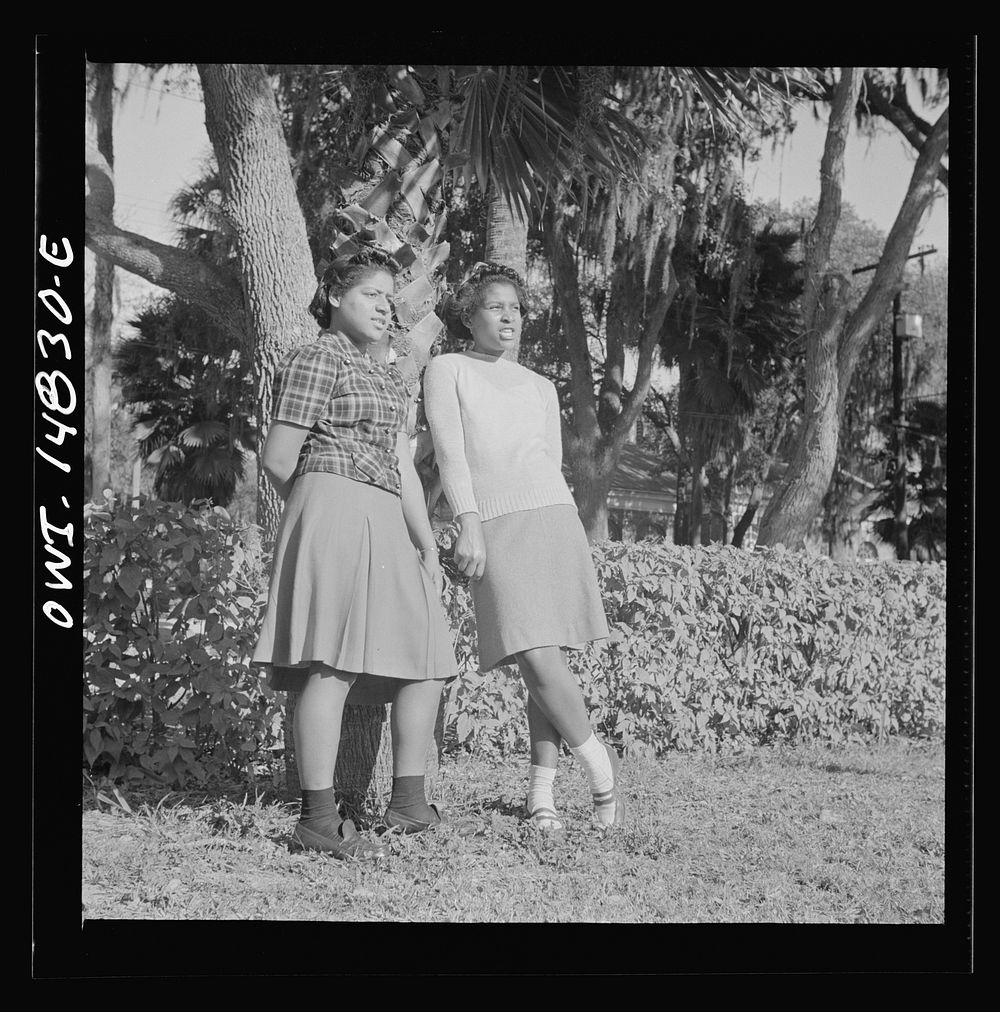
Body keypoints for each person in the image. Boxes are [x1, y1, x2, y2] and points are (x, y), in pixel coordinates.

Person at [252, 247, 458, 859]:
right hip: (334, 508)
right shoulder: (319, 355)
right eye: (371, 293)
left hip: (390, 517)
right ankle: (317, 818)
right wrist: (323, 509)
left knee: (428, 658)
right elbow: (277, 458)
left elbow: (402, 468)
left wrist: (426, 547)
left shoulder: (391, 379)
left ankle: (407, 804)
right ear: (336, 296)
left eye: (391, 300)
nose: (384, 307)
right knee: (331, 663)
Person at [422, 262, 624, 832]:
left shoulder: (541, 385)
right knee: (533, 654)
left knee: (543, 657)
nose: (509, 317)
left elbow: (547, 462)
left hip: (552, 519)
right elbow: (450, 453)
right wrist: (469, 521)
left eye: (515, 308)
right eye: (495, 307)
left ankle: (542, 795)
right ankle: (604, 773)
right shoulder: (448, 369)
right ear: (469, 316)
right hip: (493, 522)